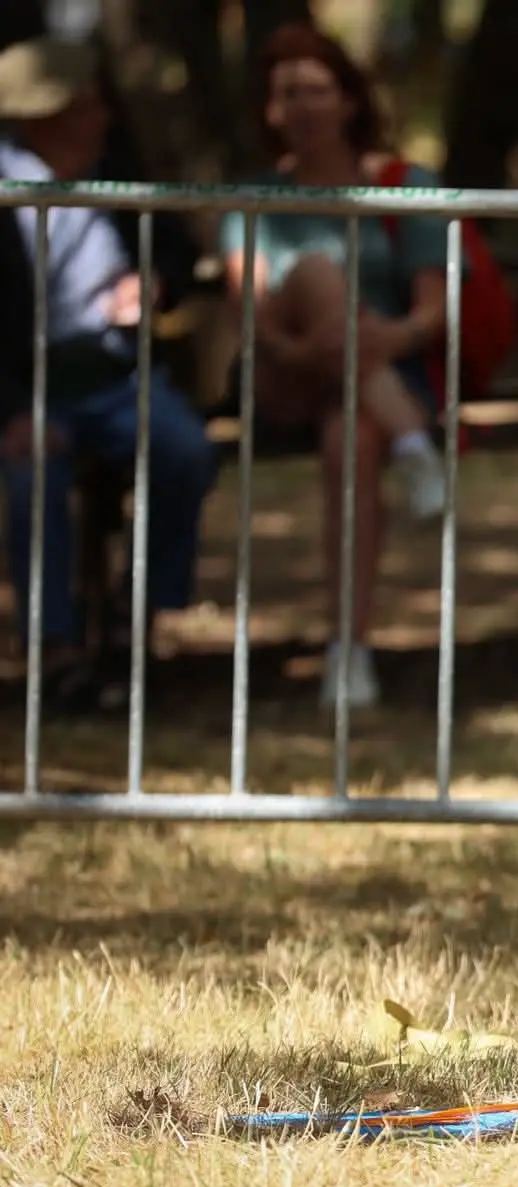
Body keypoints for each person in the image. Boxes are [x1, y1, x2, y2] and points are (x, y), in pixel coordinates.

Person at [217, 21, 456, 710]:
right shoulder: (256, 197)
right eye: (286, 93)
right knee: (320, 270)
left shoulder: (403, 183)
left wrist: (380, 340)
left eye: (316, 90)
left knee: (348, 441)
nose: (302, 106)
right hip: (283, 370)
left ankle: (347, 653)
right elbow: (251, 313)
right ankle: (417, 446)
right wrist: (320, 347)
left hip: (378, 377)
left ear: (348, 100)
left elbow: (433, 309)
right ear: (269, 110)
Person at [0, 33, 219, 712]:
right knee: (34, 473)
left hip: (114, 377)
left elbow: (180, 256)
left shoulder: (115, 172)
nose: (100, 116)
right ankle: (57, 648)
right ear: (47, 116)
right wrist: (10, 408)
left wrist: (151, 286)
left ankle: (137, 618)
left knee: (184, 451)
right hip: (21, 382)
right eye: (85, 105)